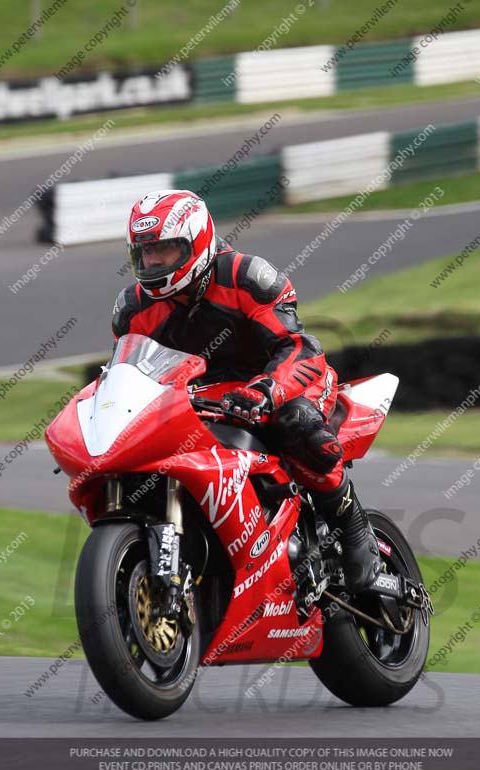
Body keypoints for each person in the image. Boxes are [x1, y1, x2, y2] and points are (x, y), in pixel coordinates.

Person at [112, 189, 381, 593]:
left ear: (197, 241)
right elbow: (125, 376)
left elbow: (297, 346)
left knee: (296, 422)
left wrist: (269, 390)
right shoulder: (132, 310)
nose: (153, 263)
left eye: (164, 250)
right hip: (204, 401)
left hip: (287, 381)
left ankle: (353, 526)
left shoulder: (246, 277)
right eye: (145, 252)